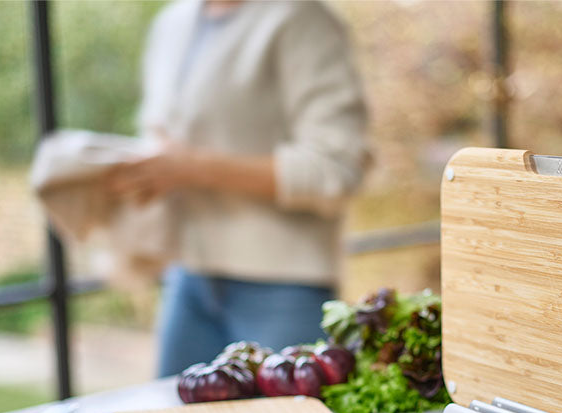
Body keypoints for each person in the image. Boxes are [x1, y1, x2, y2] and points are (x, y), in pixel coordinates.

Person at [107, 0, 370, 377]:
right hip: (188, 278)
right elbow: (162, 136)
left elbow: (336, 169)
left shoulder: (302, 20)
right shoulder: (172, 23)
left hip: (283, 287)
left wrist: (192, 168)